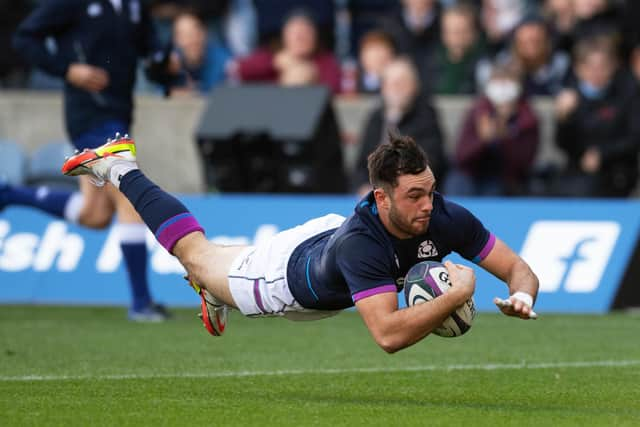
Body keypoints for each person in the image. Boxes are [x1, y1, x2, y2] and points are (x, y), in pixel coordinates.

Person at [61, 132, 539, 353]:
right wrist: (456, 294)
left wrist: (521, 294)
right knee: (198, 255)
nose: (427, 204)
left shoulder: (444, 215)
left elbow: (520, 268)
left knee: (214, 262)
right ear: (381, 197)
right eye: (414, 195)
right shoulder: (364, 245)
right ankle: (121, 167)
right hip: (285, 277)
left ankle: (211, 287)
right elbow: (388, 335)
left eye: (430, 190)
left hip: (327, 246)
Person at [7, 0, 178, 321]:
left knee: (96, 214)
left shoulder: (134, 7)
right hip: (89, 117)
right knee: (130, 196)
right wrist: (68, 69)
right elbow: (25, 38)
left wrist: (167, 65)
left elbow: (150, 50)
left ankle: (9, 194)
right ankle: (141, 303)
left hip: (119, 117)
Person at [554, 36, 640, 197]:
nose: (597, 73)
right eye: (590, 66)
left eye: (603, 66)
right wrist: (563, 119)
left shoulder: (628, 93)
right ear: (579, 68)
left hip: (619, 171)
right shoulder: (570, 97)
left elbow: (634, 137)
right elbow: (562, 144)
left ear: (614, 66)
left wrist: (602, 153)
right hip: (577, 173)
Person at [351, 58, 446, 196]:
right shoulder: (377, 117)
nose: (396, 88)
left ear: (414, 86)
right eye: (391, 83)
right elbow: (361, 164)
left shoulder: (426, 116)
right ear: (383, 88)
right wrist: (362, 187)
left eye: (402, 83)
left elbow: (430, 162)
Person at [445, 62, 539, 196]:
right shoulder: (478, 110)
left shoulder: (527, 118)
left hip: (502, 178)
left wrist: (505, 135)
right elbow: (461, 157)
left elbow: (524, 163)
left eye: (507, 81)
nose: (502, 88)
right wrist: (482, 140)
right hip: (470, 173)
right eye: (498, 81)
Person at [230, 9, 341, 93]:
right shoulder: (270, 56)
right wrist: (276, 64)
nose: (300, 37)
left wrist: (312, 78)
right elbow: (238, 69)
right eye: (295, 32)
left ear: (315, 37)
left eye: (306, 32)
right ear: (284, 35)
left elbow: (335, 87)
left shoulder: (325, 61)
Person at [170, 11, 231, 96]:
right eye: (184, 35)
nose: (191, 40)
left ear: (204, 33)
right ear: (175, 40)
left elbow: (226, 97)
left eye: (195, 32)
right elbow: (156, 92)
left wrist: (194, 94)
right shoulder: (170, 62)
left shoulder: (224, 62)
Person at [431, 2, 485, 95]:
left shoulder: (484, 65)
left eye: (461, 31)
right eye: (449, 31)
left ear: (474, 34)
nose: (455, 37)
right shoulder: (430, 63)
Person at [357, 30, 396, 94]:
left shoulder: (397, 81)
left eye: (380, 50)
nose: (376, 56)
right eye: (370, 50)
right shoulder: (354, 80)